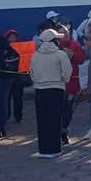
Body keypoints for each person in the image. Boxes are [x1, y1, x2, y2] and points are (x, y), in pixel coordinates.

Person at [30, 28, 72, 158]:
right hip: (56, 90)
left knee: (42, 120)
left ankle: (44, 149)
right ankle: (54, 149)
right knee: (55, 120)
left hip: (40, 90)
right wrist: (63, 80)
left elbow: (31, 72)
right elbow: (67, 72)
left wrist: (38, 82)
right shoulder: (61, 54)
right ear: (54, 41)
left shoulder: (35, 55)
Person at [57, 24, 86, 146]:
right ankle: (56, 131)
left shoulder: (75, 45)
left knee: (68, 109)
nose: (64, 34)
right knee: (57, 109)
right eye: (61, 32)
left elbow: (82, 59)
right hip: (57, 83)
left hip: (71, 83)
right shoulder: (54, 46)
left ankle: (64, 130)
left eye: (65, 32)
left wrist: (72, 54)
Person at [4, 30, 24, 123]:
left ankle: (18, 116)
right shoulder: (4, 47)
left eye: (14, 37)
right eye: (11, 36)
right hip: (7, 76)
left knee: (18, 97)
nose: (12, 38)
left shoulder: (21, 47)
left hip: (18, 77)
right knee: (6, 98)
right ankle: (7, 116)